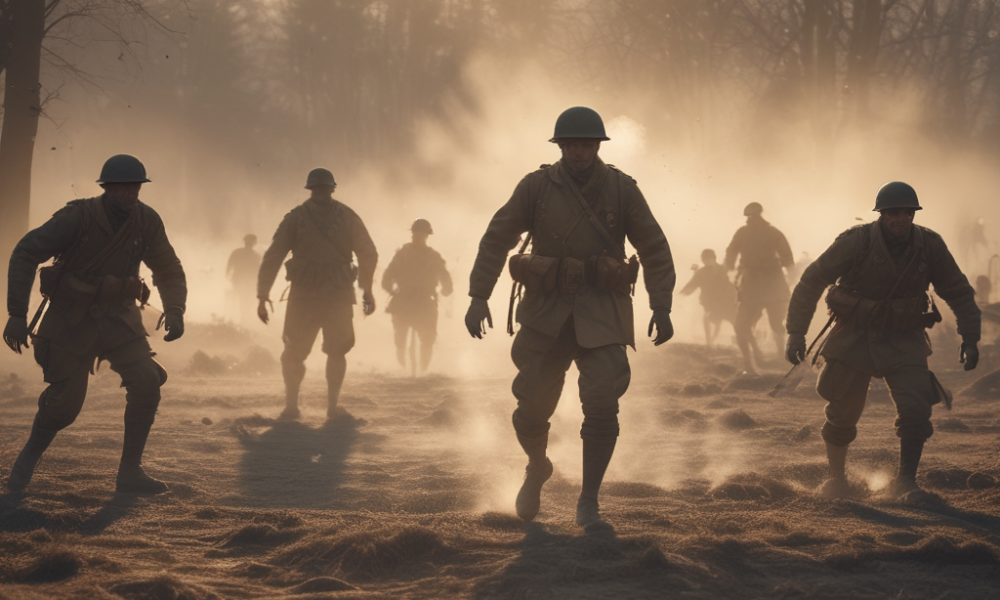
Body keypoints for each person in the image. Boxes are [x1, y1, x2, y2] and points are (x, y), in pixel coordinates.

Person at [465, 106, 676, 526]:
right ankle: (537, 466)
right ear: (560, 146)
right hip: (547, 312)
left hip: (602, 312)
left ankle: (589, 499)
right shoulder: (536, 187)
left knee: (601, 404)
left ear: (597, 146)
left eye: (587, 144)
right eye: (572, 144)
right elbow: (496, 239)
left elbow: (654, 247)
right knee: (531, 406)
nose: (580, 152)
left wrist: (661, 305)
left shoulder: (622, 189)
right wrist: (478, 295)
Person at [3, 154, 187, 494]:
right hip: (70, 322)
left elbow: (167, 266)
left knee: (147, 381)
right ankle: (26, 459)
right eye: (121, 187)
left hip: (120, 320)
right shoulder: (78, 217)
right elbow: (27, 251)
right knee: (63, 408)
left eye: (134, 187)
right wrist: (17, 314)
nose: (128, 194)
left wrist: (175, 308)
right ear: (107, 188)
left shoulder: (146, 220)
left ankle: (130, 473)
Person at [785, 182, 980, 502]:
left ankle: (906, 482)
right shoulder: (856, 242)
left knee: (917, 408)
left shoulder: (929, 245)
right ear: (881, 215)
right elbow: (813, 279)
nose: (899, 219)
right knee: (841, 411)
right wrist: (796, 331)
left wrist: (969, 338)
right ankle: (836, 481)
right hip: (854, 337)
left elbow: (957, 290)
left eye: (906, 213)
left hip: (904, 339)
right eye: (892, 213)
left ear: (913, 214)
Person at [257, 168, 377, 422]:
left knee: (335, 351)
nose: (321, 192)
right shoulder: (334, 217)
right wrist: (262, 295)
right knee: (294, 352)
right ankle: (293, 406)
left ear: (330, 189)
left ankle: (329, 407)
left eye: (323, 188)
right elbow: (274, 256)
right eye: (318, 188)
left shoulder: (305, 217)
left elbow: (368, 253)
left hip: (326, 297)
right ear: (313, 190)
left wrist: (367, 289)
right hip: (313, 297)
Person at [725, 202, 794, 373]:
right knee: (742, 325)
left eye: (754, 217)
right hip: (759, 286)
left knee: (775, 324)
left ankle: (780, 357)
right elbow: (731, 254)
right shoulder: (758, 232)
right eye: (751, 217)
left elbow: (788, 259)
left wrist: (730, 269)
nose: (753, 220)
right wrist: (730, 271)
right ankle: (751, 363)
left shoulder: (769, 233)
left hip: (767, 285)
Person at [381, 218, 453, 373]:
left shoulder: (428, 256)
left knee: (427, 340)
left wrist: (446, 289)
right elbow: (386, 278)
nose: (419, 237)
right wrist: (392, 290)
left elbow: (446, 279)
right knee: (401, 340)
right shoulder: (407, 255)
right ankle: (405, 369)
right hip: (408, 301)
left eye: (421, 235)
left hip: (418, 301)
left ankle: (421, 372)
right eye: (417, 235)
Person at [679, 248, 736, 346]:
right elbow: (693, 284)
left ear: (714, 258)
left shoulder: (722, 269)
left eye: (709, 258)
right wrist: (682, 294)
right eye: (705, 259)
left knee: (734, 321)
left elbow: (730, 285)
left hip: (725, 301)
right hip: (710, 302)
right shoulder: (701, 272)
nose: (707, 261)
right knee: (707, 318)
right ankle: (709, 342)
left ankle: (742, 338)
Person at [226, 234, 261, 326]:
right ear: (254, 243)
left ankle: (243, 320)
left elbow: (229, 266)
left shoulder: (237, 252)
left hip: (240, 280)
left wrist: (229, 277)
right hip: (244, 281)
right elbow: (259, 271)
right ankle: (244, 321)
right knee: (246, 300)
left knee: (244, 299)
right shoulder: (256, 255)